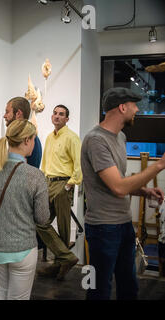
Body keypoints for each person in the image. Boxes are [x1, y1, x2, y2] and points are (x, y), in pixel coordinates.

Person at [81, 87, 165, 300]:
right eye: (135, 105)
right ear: (122, 107)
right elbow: (118, 187)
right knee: (98, 289)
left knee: (129, 287)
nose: (137, 110)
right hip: (102, 228)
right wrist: (158, 166)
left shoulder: (120, 137)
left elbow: (118, 182)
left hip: (124, 225)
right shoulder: (95, 140)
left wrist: (144, 191)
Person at [0, 119, 49, 300]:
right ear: (26, 141)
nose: (34, 144)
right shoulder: (35, 175)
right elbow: (42, 218)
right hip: (22, 249)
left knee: (3, 291)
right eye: (33, 139)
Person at [36, 104, 81, 280]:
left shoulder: (72, 138)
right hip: (48, 183)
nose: (57, 116)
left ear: (67, 119)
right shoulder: (49, 137)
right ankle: (67, 258)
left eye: (61, 114)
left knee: (63, 228)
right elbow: (45, 164)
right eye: (55, 113)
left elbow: (79, 165)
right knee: (40, 221)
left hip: (64, 184)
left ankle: (58, 266)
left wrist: (69, 186)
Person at [3, 97, 42, 168]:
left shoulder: (31, 138)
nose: (4, 116)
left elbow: (31, 172)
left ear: (18, 113)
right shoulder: (14, 136)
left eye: (7, 112)